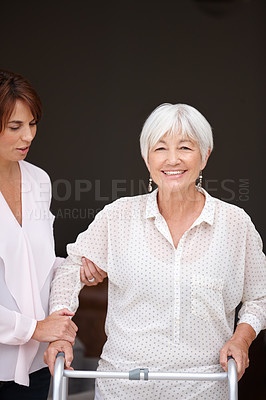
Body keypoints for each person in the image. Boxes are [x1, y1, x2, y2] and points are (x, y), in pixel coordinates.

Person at [45, 103, 266, 399]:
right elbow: (71, 269)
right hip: (122, 386)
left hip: (204, 388)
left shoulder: (236, 224)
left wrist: (242, 338)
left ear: (205, 155)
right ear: (146, 158)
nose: (172, 159)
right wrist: (60, 331)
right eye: (160, 148)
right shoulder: (118, 216)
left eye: (185, 147)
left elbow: (259, 296)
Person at [0, 69, 105, 400]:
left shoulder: (39, 181)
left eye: (32, 124)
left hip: (37, 365)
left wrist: (77, 270)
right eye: (16, 126)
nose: (28, 136)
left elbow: (37, 263)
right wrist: (33, 329)